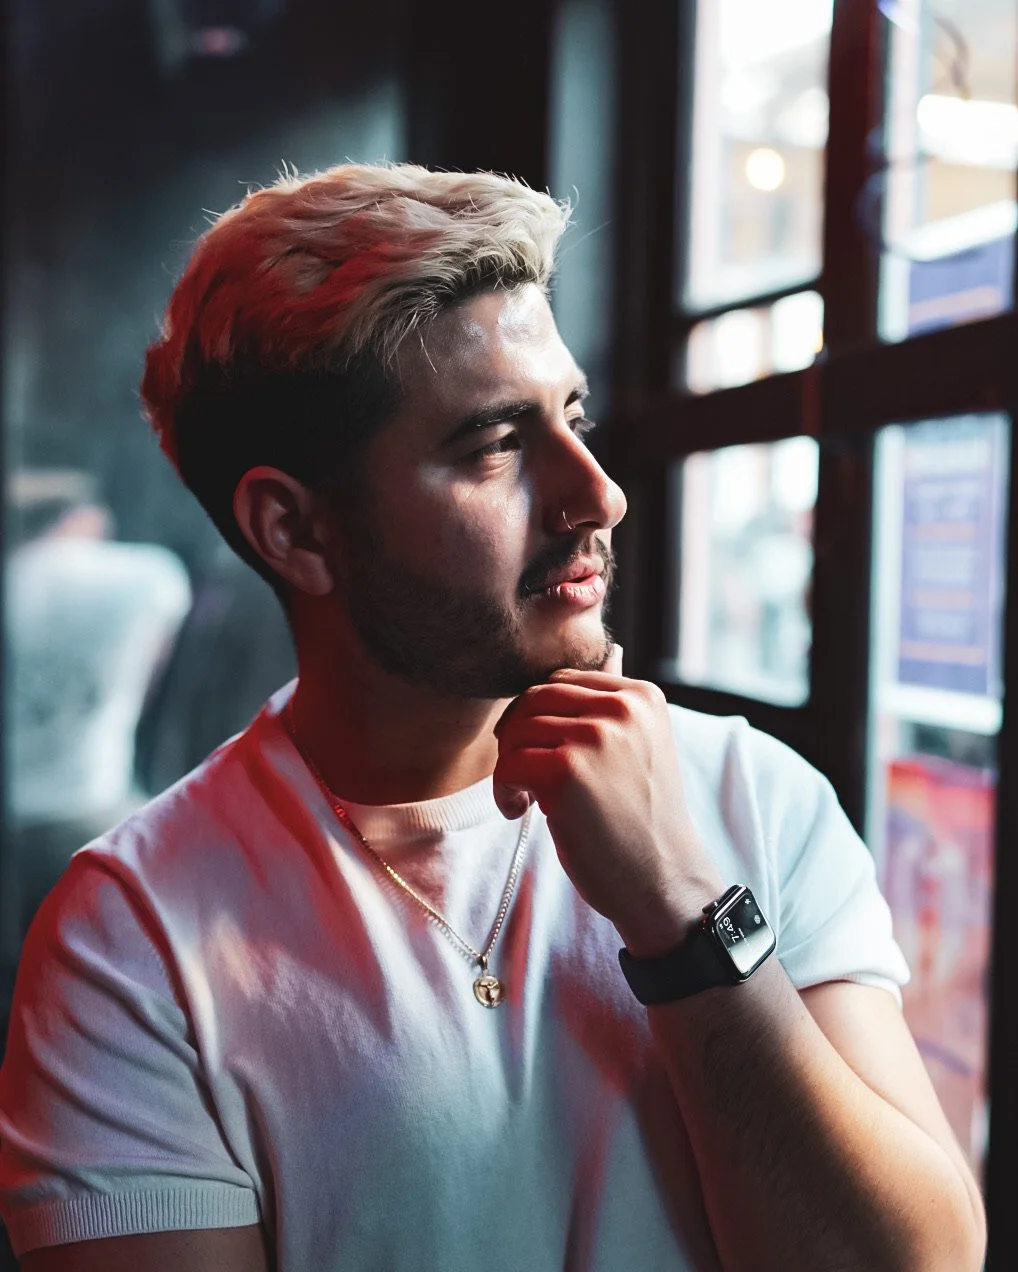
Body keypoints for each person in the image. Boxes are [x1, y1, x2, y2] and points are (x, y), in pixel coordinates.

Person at [0, 164, 986, 1272]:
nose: (597, 492)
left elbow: (915, 1261)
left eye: (573, 415)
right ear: (294, 531)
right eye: (496, 445)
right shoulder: (131, 939)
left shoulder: (750, 797)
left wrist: (683, 913)